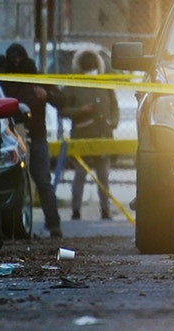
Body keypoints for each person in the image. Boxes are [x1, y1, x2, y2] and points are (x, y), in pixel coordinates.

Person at [0, 43, 63, 238]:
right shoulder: (5, 81)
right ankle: (13, 228)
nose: (17, 62)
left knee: (42, 180)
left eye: (19, 58)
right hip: (10, 138)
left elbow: (63, 100)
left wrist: (48, 95)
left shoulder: (36, 80)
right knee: (13, 182)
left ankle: (54, 225)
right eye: (13, 58)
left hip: (35, 138)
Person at [57, 50, 119, 220]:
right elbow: (62, 109)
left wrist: (112, 122)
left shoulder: (104, 83)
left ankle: (105, 210)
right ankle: (76, 210)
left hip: (103, 136)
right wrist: (80, 111)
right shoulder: (73, 84)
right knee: (80, 176)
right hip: (82, 137)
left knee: (103, 176)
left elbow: (115, 107)